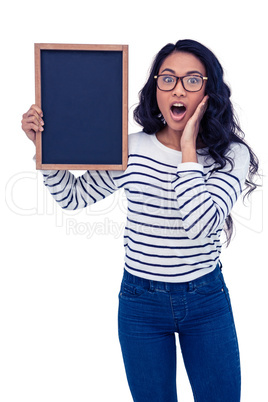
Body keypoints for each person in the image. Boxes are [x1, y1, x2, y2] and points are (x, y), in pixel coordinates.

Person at [22, 39, 259, 402]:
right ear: (155, 89)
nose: (178, 88)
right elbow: (72, 197)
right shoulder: (131, 148)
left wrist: (189, 149)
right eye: (168, 79)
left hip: (206, 302)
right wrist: (44, 145)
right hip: (140, 304)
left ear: (209, 91)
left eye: (192, 80)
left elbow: (199, 223)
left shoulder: (231, 155)